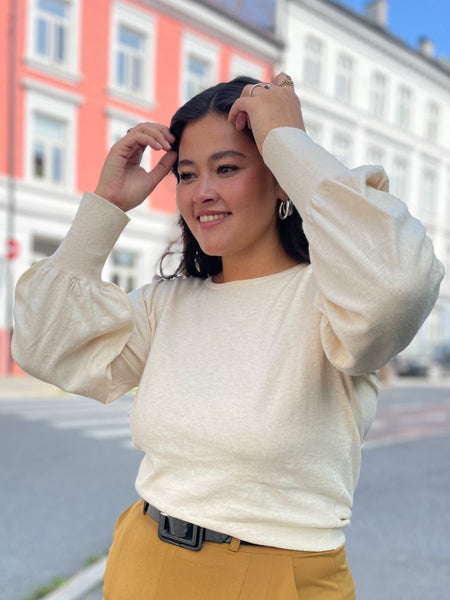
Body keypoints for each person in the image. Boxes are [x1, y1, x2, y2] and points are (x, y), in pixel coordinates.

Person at [12, 73, 443, 599]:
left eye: (227, 168)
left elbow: (400, 284)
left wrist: (288, 141)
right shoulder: (166, 303)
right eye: (187, 174)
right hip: (143, 562)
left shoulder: (335, 302)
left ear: (280, 179)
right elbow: (44, 346)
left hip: (276, 577)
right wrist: (106, 207)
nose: (203, 193)